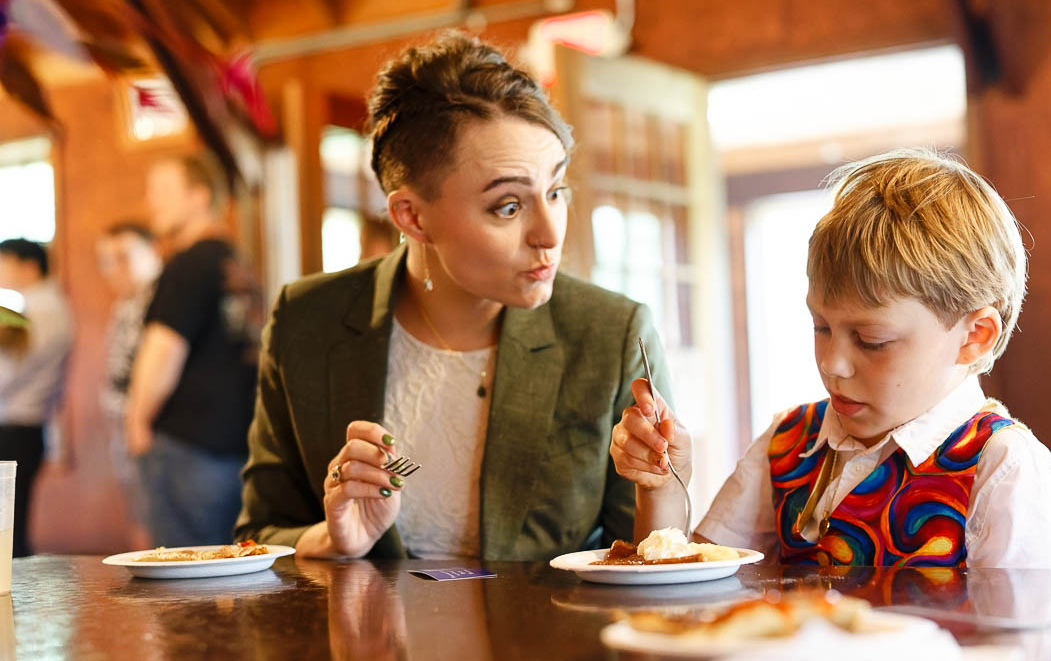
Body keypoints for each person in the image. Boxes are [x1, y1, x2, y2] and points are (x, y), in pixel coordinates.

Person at [235, 31, 669, 560]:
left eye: (555, 191)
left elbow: (652, 558)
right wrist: (331, 539)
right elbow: (258, 535)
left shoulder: (609, 333)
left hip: (553, 641)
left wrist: (667, 483)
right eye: (508, 206)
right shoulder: (309, 321)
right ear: (412, 216)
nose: (551, 233)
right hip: (366, 641)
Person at [612, 149, 1051, 567]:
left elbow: (1019, 648)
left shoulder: (1002, 466)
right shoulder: (788, 442)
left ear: (975, 336)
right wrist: (664, 485)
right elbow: (693, 595)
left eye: (871, 340)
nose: (833, 363)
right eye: (821, 327)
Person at [127, 156, 260, 547]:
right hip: (234, 449)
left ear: (200, 197)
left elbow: (163, 349)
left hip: (186, 449)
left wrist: (136, 422)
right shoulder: (237, 264)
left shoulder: (187, 264)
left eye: (163, 192)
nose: (152, 203)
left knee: (180, 591)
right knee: (228, 581)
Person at [0, 239, 72, 557]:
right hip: (22, 427)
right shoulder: (40, 306)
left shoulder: (41, 309)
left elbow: (10, 370)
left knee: (7, 532)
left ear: (29, 266)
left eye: (4, 262)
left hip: (16, 427)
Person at [96, 222, 161, 548]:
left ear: (152, 252)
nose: (113, 270)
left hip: (151, 430)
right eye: (106, 260)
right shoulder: (125, 303)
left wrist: (139, 422)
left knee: (156, 521)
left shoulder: (160, 300)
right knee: (140, 513)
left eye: (122, 257)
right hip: (125, 427)